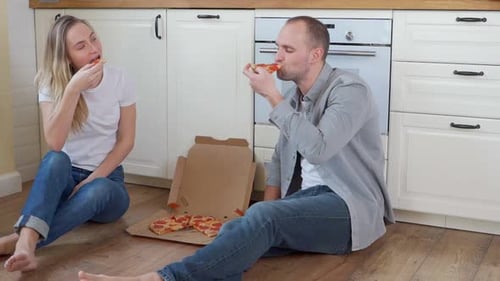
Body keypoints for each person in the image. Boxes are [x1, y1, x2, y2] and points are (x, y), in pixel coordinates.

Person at [77, 15, 393, 281]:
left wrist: (272, 97)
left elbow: (319, 149)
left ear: (315, 55)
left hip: (348, 208)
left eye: (287, 49)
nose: (276, 56)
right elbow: (281, 160)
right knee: (236, 231)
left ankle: (160, 279)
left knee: (259, 222)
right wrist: (266, 209)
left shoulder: (350, 90)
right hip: (308, 202)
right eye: (276, 47)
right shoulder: (295, 96)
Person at [0, 15, 136, 272]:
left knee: (97, 190)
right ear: (66, 57)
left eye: (93, 38)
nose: (94, 48)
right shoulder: (50, 82)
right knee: (55, 158)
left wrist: (92, 179)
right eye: (81, 46)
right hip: (65, 178)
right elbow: (55, 142)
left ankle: (21, 241)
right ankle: (26, 244)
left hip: (109, 182)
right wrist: (73, 89)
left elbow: (126, 141)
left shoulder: (120, 79)